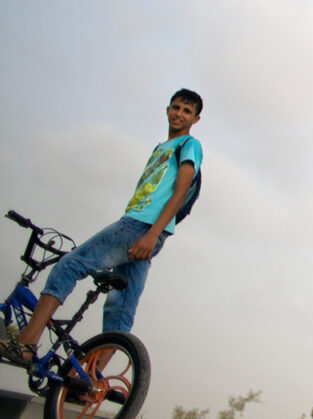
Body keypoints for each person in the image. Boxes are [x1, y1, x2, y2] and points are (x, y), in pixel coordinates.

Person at [1, 89, 204, 366]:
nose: (179, 114)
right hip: (145, 229)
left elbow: (180, 191)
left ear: (196, 118)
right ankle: (87, 384)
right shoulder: (160, 148)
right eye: (176, 107)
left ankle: (26, 344)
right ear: (168, 109)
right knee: (120, 310)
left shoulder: (190, 145)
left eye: (186, 111)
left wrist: (154, 232)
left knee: (70, 264)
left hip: (141, 225)